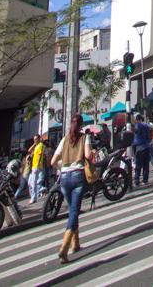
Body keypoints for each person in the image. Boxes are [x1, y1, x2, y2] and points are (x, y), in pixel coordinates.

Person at [50, 113, 93, 263]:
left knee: (72, 209)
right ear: (81, 125)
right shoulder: (84, 137)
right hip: (78, 176)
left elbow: (53, 161)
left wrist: (62, 167)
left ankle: (76, 243)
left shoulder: (64, 140)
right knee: (74, 211)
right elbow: (87, 155)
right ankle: (64, 246)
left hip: (64, 178)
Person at [132, 114, 153, 187]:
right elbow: (149, 134)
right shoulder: (146, 125)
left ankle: (137, 180)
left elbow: (136, 131)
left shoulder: (137, 125)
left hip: (139, 147)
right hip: (146, 146)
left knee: (138, 165)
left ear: (136, 119)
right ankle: (145, 180)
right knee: (146, 165)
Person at [27, 134, 45, 204]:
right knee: (30, 183)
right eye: (34, 139)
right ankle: (41, 189)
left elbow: (40, 155)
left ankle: (34, 197)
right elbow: (29, 150)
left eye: (36, 139)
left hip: (36, 166)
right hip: (33, 166)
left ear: (39, 139)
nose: (35, 140)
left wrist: (37, 165)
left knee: (33, 183)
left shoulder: (40, 145)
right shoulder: (36, 146)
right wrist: (34, 144)